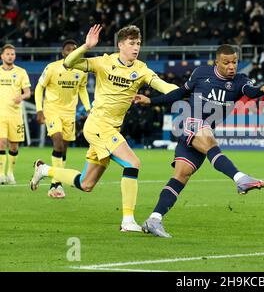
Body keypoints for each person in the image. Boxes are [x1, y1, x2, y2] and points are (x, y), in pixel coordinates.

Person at [30, 24, 178, 232]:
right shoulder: (103, 62)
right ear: (120, 45)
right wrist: (86, 46)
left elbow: (164, 86)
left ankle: (44, 170)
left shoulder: (141, 70)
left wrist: (186, 90)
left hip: (111, 129)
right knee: (133, 163)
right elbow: (68, 63)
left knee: (85, 184)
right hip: (98, 125)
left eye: (138, 44)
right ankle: (127, 221)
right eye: (131, 43)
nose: (136, 47)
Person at [133, 44, 264, 238]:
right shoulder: (201, 73)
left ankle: (153, 220)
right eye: (226, 63)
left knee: (181, 176)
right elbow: (180, 93)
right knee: (211, 144)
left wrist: (263, 88)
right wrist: (150, 101)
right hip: (190, 121)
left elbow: (251, 91)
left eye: (235, 62)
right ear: (217, 62)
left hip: (203, 130)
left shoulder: (240, 81)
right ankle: (240, 179)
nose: (231, 66)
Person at [34, 40, 91, 198]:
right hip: (52, 110)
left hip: (69, 113)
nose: (72, 51)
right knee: (57, 142)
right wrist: (39, 110)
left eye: (75, 49)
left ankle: (48, 176)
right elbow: (39, 88)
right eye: (68, 49)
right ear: (63, 52)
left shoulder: (81, 70)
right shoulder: (52, 67)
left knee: (63, 148)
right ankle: (56, 183)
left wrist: (88, 108)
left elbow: (82, 89)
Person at [0, 44, 31, 184]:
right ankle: (1, 174)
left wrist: (22, 97)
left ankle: (10, 173)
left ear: (15, 56)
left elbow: (28, 93)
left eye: (12, 54)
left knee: (13, 146)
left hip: (15, 115)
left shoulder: (21, 72)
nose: (10, 56)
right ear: (2, 56)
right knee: (1, 143)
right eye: (7, 54)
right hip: (1, 114)